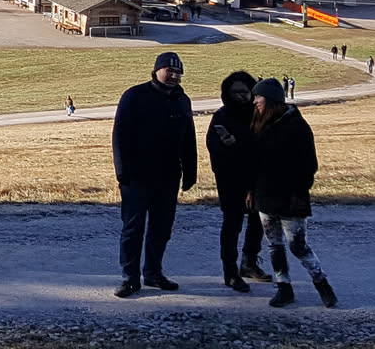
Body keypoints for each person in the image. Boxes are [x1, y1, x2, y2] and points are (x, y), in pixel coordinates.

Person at [110, 49, 196, 297]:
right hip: (136, 176)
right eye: (170, 71)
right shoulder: (135, 96)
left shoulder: (182, 100)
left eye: (178, 73)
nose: (174, 76)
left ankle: (153, 273)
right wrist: (122, 171)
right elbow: (120, 135)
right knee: (133, 228)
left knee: (162, 228)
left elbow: (188, 138)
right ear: (157, 70)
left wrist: (190, 172)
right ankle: (130, 278)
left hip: (169, 176)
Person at [250, 77, 337, 308]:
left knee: (298, 246)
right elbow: (253, 163)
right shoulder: (258, 124)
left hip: (291, 199)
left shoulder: (297, 126)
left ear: (271, 100)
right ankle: (284, 288)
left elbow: (309, 166)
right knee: (274, 245)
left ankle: (323, 285)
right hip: (264, 197)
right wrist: (251, 191)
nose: (255, 101)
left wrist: (298, 192)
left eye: (258, 97)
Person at [203, 70, 270, 292]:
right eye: (235, 92)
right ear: (227, 94)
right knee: (232, 225)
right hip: (231, 181)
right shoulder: (222, 117)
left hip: (257, 179)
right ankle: (230, 272)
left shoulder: (259, 114)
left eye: (245, 91)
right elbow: (215, 149)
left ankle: (249, 263)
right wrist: (237, 154)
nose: (241, 96)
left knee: (258, 222)